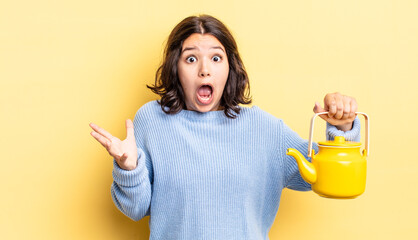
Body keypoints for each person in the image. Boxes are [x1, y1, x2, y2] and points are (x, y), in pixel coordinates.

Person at [89, 15, 360, 239]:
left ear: (230, 67)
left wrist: (344, 128)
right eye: (191, 59)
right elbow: (136, 209)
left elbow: (327, 178)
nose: (204, 70)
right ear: (176, 67)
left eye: (216, 58)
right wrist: (129, 169)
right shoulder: (151, 121)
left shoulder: (264, 129)